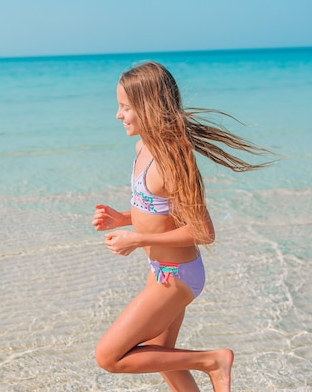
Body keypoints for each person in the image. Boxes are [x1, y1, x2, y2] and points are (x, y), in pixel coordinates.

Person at [92, 61, 272, 392]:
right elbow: (160, 210)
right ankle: (208, 365)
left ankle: (212, 361)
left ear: (148, 107)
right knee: (164, 361)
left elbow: (203, 232)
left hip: (178, 275)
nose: (118, 115)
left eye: (125, 107)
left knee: (109, 356)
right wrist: (122, 218)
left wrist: (137, 239)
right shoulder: (142, 147)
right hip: (160, 268)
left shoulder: (171, 161)